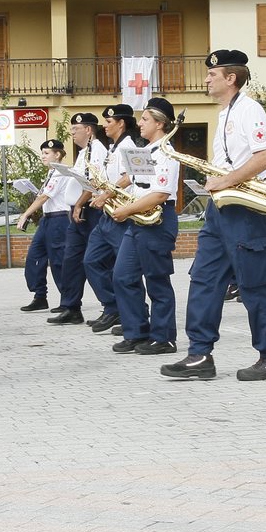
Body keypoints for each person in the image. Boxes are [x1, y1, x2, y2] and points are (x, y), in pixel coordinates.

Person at [161, 49, 266, 381]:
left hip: (244, 208)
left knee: (254, 284)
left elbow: (265, 156)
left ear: (231, 78)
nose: (206, 79)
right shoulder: (225, 113)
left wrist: (228, 179)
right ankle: (199, 355)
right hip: (221, 209)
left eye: (212, 75)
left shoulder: (250, 109)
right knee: (203, 279)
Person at [109, 98, 180, 356]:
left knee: (156, 281)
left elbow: (161, 193)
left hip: (157, 220)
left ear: (160, 124)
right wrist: (110, 193)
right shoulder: (147, 150)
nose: (139, 124)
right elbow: (135, 178)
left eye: (145, 120)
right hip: (139, 219)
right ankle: (137, 331)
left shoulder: (167, 153)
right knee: (123, 276)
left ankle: (164, 338)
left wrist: (126, 210)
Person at [82, 104, 139, 335]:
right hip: (107, 213)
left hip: (121, 214)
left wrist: (108, 192)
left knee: (125, 271)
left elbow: (130, 176)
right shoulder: (113, 148)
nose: (104, 126)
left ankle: (134, 316)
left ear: (121, 123)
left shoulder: (129, 146)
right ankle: (113, 306)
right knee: (91, 261)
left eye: (108, 122)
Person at [48, 114, 110, 325]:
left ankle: (111, 306)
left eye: (76, 129)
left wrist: (81, 204)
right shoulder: (84, 153)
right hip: (77, 209)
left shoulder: (98, 150)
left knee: (95, 259)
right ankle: (71, 306)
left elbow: (95, 182)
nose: (72, 133)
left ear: (89, 130)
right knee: (71, 260)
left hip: (90, 209)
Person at [16, 139, 73, 312]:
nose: (43, 156)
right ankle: (40, 295)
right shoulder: (51, 173)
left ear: (58, 154)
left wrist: (25, 214)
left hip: (59, 219)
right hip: (47, 219)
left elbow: (43, 198)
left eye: (47, 153)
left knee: (58, 261)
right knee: (34, 256)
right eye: (42, 153)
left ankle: (68, 301)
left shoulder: (62, 173)